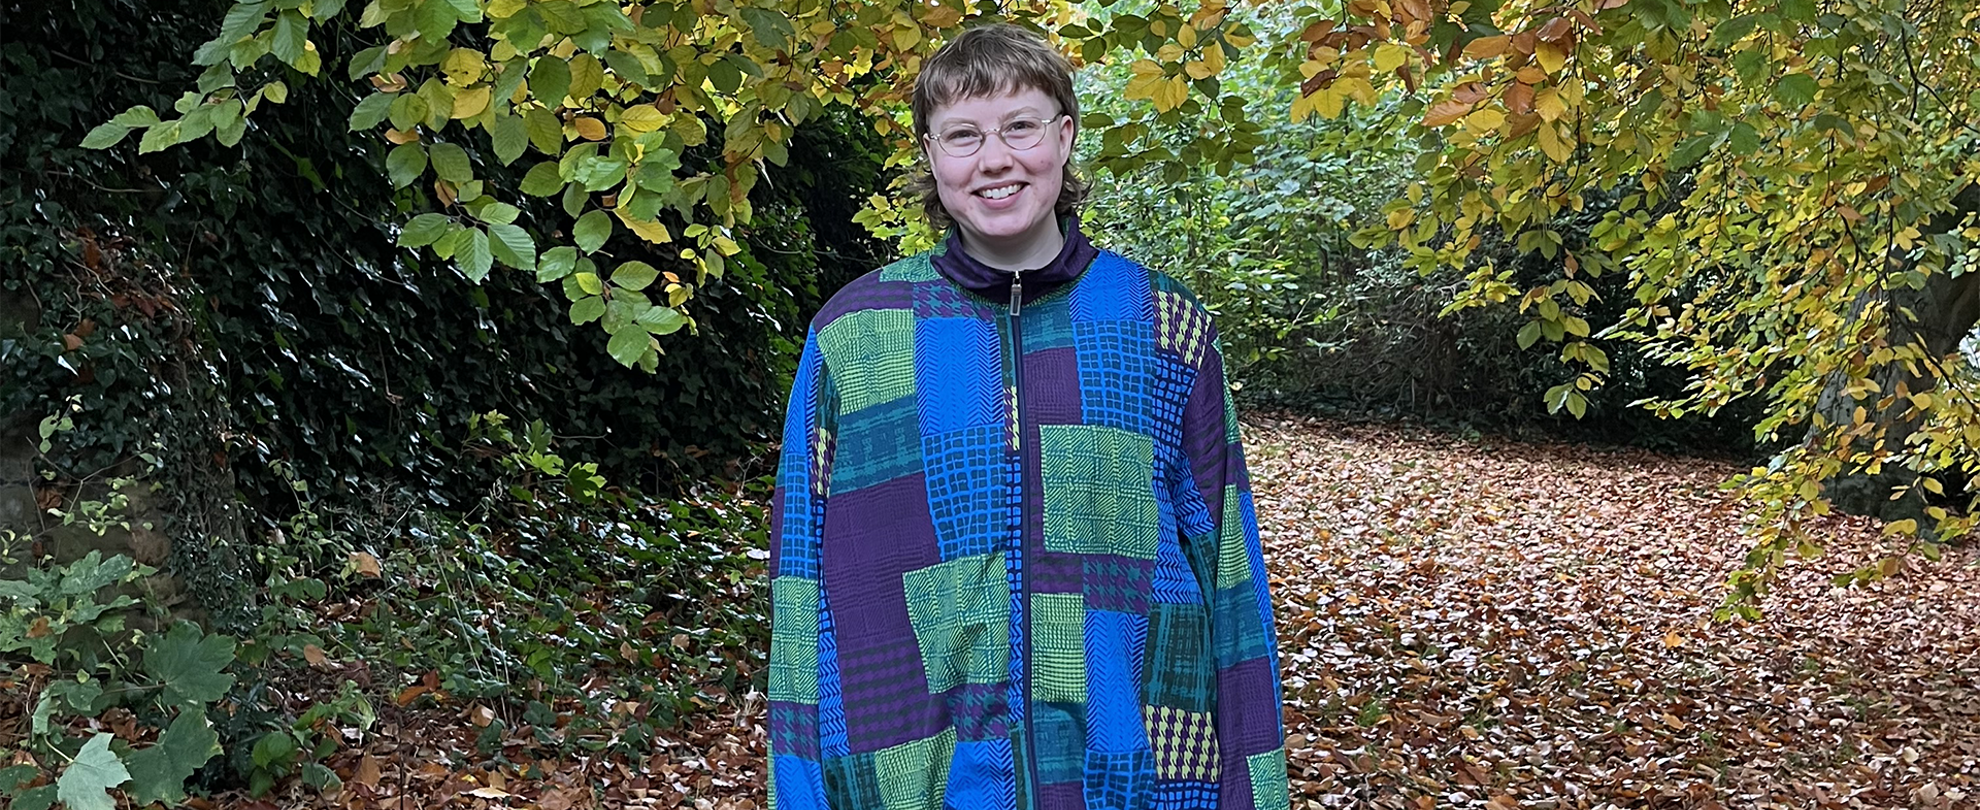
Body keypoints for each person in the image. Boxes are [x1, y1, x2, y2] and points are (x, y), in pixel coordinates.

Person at [766, 22, 1288, 810]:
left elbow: (1230, 578)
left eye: (1021, 125)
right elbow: (799, 582)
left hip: (1128, 778)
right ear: (931, 155)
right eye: (963, 134)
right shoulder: (854, 334)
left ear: (1065, 135)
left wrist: (1256, 789)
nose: (995, 159)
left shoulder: (1161, 325)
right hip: (909, 776)